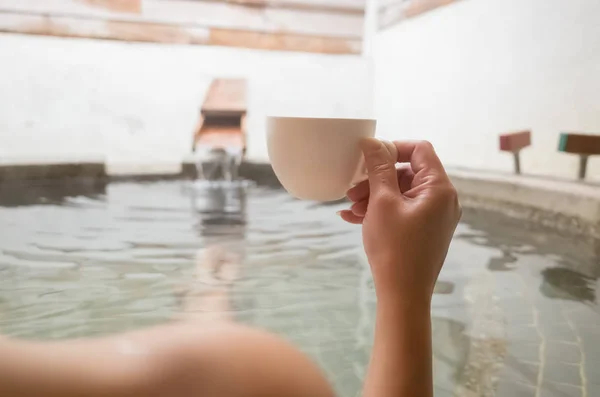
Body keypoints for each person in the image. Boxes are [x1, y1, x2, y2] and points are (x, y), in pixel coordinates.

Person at [0, 138, 461, 397]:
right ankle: (208, 285)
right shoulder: (264, 374)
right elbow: (220, 373)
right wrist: (406, 290)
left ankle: (208, 284)